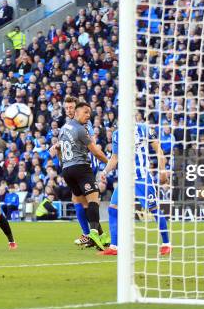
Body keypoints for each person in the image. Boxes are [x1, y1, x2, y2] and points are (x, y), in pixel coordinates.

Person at [98, 124, 171, 256]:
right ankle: (114, 247)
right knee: (113, 208)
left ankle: (166, 244)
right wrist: (105, 171)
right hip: (125, 178)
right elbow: (115, 158)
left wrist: (163, 170)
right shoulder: (117, 134)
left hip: (142, 178)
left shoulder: (144, 129)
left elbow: (158, 150)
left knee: (153, 209)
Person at [57, 102, 109, 250]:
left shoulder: (63, 129)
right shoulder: (80, 130)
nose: (88, 115)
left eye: (89, 113)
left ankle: (101, 237)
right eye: (85, 112)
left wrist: (64, 164)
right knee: (94, 201)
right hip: (81, 168)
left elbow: (60, 152)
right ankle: (92, 233)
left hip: (67, 170)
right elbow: (96, 152)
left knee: (86, 205)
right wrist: (110, 162)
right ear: (77, 113)